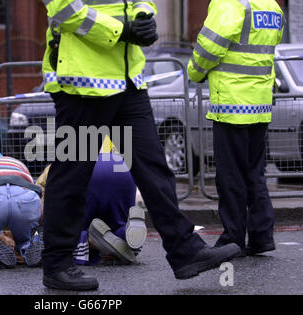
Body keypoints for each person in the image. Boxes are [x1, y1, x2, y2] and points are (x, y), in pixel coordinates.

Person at [40, 0, 241, 290]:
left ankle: (185, 250)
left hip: (128, 83)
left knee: (154, 169)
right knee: (72, 176)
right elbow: (64, 9)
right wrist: (122, 31)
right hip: (83, 84)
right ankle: (57, 264)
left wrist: (145, 17)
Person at [188, 0, 284, 255]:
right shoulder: (271, 6)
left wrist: (194, 72)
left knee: (230, 176)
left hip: (232, 103)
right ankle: (262, 236)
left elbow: (208, 47)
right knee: (255, 174)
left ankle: (233, 238)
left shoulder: (229, 4)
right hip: (260, 104)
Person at [36, 138, 147, 266]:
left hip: (89, 173)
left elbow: (41, 196)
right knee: (119, 222)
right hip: (124, 170)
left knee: (73, 227)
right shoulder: (111, 140)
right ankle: (125, 235)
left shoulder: (64, 157)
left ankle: (89, 240)